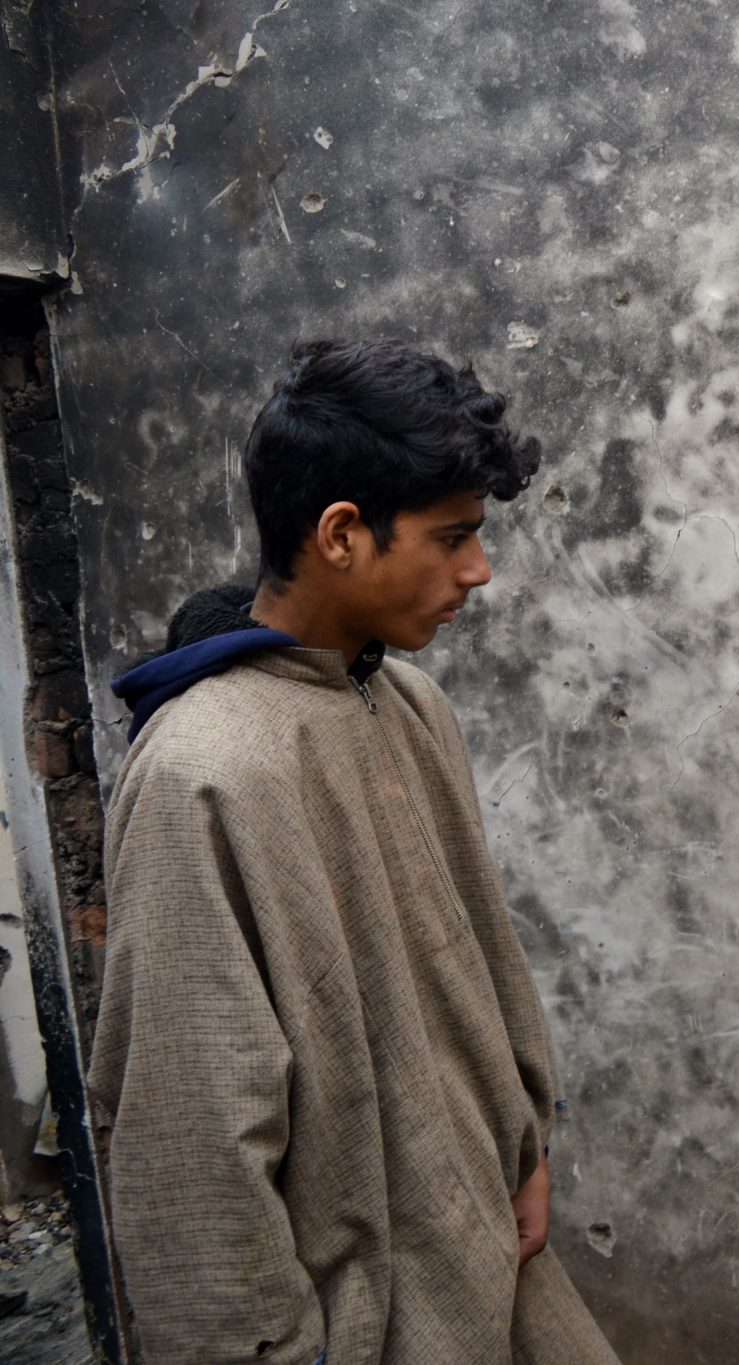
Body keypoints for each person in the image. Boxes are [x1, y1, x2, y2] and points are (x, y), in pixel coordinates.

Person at [87, 339, 619, 1364]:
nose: (480, 567)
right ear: (341, 534)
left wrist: (522, 1147)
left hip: (489, 1254)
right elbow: (191, 1145)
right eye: (452, 536)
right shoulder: (206, 770)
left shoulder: (405, 697)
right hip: (367, 1321)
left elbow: (477, 954)